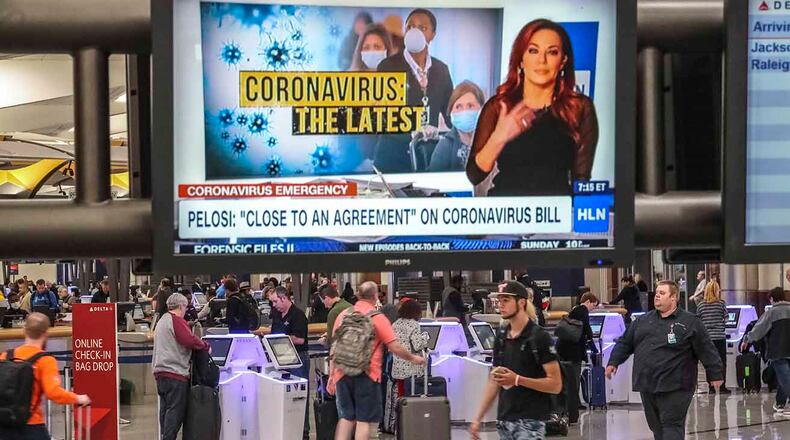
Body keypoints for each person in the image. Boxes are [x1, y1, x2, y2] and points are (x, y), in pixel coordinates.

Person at [466, 18, 598, 196]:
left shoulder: (579, 108)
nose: (541, 60)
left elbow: (580, 181)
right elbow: (474, 175)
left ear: (563, 61)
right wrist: (499, 137)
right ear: (521, 60)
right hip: (506, 212)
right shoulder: (499, 106)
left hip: (556, 214)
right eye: (533, 51)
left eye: (552, 52)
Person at [606, 281, 723, 440]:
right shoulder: (642, 321)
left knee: (671, 424)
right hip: (648, 383)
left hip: (677, 384)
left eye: (662, 293)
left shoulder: (690, 322)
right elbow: (625, 342)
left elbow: (707, 349)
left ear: (674, 297)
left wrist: (714, 373)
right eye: (657, 293)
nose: (657, 296)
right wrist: (614, 362)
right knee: (657, 427)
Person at [328, 281, 426, 440]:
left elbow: (334, 347)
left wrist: (332, 375)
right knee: (363, 420)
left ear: (358, 295)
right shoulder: (377, 317)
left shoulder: (343, 315)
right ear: (375, 296)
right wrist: (414, 358)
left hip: (342, 372)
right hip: (367, 374)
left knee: (346, 418)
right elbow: (395, 347)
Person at [470, 281, 562, 440]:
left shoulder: (539, 337)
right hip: (505, 421)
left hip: (530, 422)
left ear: (521, 302)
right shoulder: (501, 336)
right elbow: (494, 381)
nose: (501, 305)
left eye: (506, 300)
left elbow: (555, 385)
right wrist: (478, 418)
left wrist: (517, 380)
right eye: (499, 300)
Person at [375, 8, 454, 173]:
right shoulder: (388, 67)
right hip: (391, 158)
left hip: (426, 158)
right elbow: (380, 116)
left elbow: (450, 115)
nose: (414, 32)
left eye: (422, 28)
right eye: (410, 27)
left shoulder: (441, 70)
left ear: (433, 35)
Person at [0, 313, 91, 440]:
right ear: (45, 334)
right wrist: (78, 398)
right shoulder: (45, 360)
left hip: (4, 424)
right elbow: (53, 393)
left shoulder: (5, 356)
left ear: (24, 331)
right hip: (31, 426)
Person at [152, 293, 210, 440]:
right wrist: (205, 346)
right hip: (175, 373)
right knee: (175, 411)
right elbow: (189, 340)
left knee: (165, 410)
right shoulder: (176, 320)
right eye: (185, 306)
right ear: (181, 306)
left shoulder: (162, 320)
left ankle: (165, 436)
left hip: (161, 373)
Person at [268, 286, 310, 439]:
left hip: (298, 359)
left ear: (283, 298)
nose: (273, 305)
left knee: (299, 394)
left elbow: (300, 339)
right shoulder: (277, 314)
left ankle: (303, 430)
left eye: (275, 301)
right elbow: (273, 331)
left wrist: (282, 338)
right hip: (281, 359)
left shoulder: (298, 316)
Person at [741, 287, 790, 416]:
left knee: (785, 378)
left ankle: (783, 403)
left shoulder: (771, 312)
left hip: (777, 350)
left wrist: (747, 340)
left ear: (772, 299)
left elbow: (759, 329)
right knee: (785, 377)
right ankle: (780, 403)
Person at [384, 299, 429, 432]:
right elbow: (417, 345)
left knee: (401, 396)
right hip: (411, 368)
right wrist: (425, 337)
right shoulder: (414, 325)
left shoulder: (395, 324)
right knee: (412, 397)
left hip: (397, 367)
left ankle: (398, 426)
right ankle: (410, 427)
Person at [556, 292, 599, 424]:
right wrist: (594, 348)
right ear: (588, 302)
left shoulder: (573, 310)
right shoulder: (583, 311)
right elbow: (587, 329)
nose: (593, 308)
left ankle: (573, 404)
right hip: (574, 352)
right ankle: (573, 409)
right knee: (574, 379)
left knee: (567, 379)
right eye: (593, 305)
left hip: (563, 351)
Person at [429, 81, 485, 171]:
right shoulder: (445, 147)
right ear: (451, 112)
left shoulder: (494, 142)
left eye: (470, 106)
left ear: (482, 109)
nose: (464, 111)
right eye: (458, 107)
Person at [695, 280, 730, 394]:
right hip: (719, 336)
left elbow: (698, 321)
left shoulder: (701, 305)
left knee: (709, 362)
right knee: (721, 362)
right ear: (716, 291)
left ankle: (710, 387)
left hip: (707, 338)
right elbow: (726, 318)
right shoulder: (721, 304)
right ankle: (722, 386)